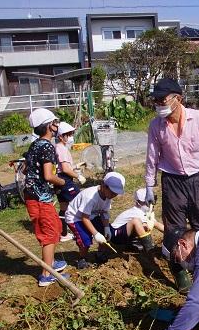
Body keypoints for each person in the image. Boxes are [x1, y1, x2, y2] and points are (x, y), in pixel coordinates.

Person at [145, 78, 199, 292]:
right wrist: (149, 185)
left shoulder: (197, 118)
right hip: (172, 181)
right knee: (173, 230)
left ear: (178, 99)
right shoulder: (156, 125)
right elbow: (152, 157)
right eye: (156, 101)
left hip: (197, 179)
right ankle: (180, 272)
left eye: (162, 100)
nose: (158, 104)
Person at [24, 108, 69, 287]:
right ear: (50, 126)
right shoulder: (47, 146)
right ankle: (46, 275)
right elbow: (49, 176)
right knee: (50, 234)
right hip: (40, 198)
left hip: (32, 195)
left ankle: (50, 262)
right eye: (55, 122)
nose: (57, 125)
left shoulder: (34, 145)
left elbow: (26, 169)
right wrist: (63, 182)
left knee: (54, 227)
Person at [65, 172, 125, 269]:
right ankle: (82, 259)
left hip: (91, 215)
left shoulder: (107, 196)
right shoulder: (90, 197)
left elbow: (104, 212)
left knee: (105, 235)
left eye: (116, 193)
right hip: (76, 217)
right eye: (113, 192)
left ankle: (100, 253)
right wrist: (95, 234)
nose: (114, 195)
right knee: (85, 239)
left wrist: (106, 228)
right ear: (104, 186)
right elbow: (84, 218)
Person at [55, 121, 86, 242]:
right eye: (68, 134)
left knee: (64, 206)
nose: (70, 137)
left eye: (71, 134)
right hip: (65, 180)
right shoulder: (61, 149)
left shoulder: (59, 148)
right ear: (61, 136)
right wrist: (78, 176)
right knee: (80, 202)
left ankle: (63, 233)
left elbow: (64, 166)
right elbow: (65, 169)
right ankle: (84, 229)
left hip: (59, 181)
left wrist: (75, 166)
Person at [110, 188, 164, 252]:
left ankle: (132, 244)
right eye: (147, 202)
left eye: (152, 201)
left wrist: (171, 233)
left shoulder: (145, 212)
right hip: (116, 235)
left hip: (124, 235)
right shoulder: (137, 212)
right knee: (138, 222)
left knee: (147, 224)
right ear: (138, 202)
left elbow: (156, 224)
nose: (151, 204)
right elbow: (145, 226)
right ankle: (150, 248)